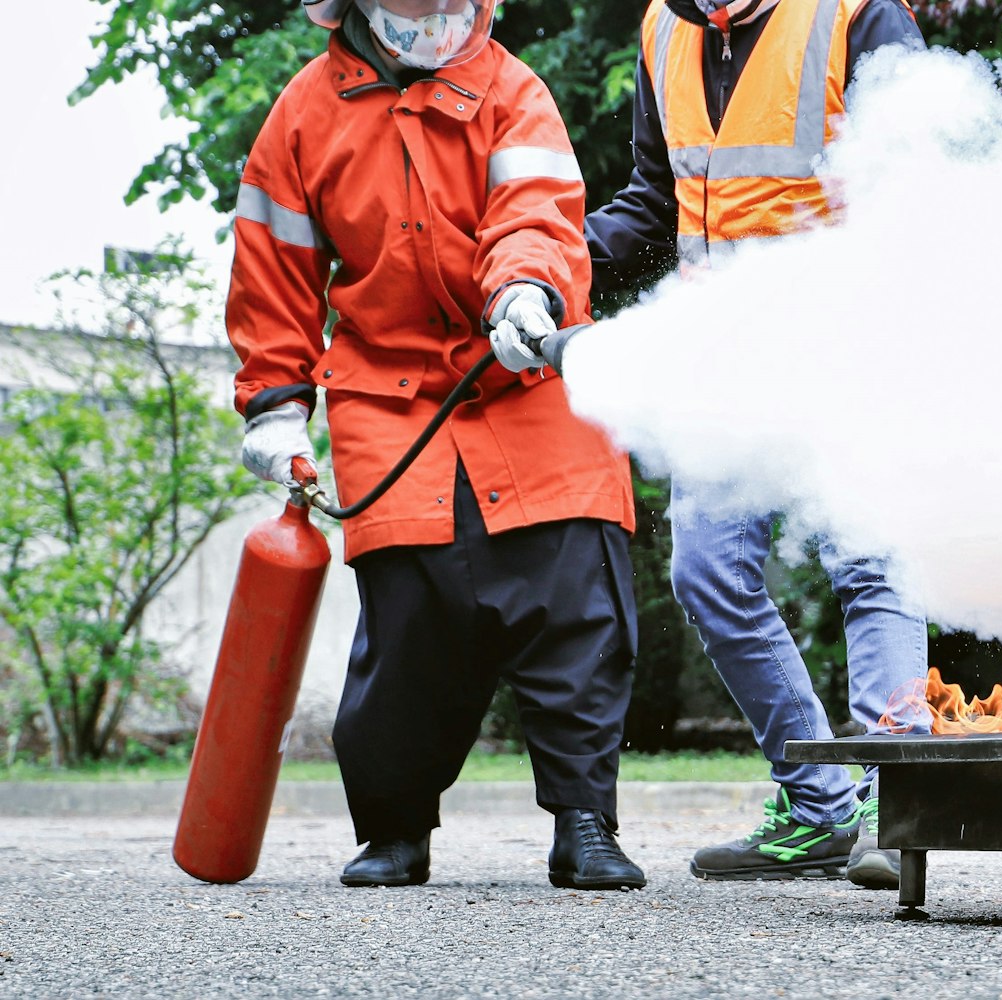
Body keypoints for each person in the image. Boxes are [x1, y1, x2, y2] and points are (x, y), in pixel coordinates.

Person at [229, 0, 646, 890]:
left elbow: (537, 211)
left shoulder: (511, 88)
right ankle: (394, 831)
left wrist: (527, 290)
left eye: (455, 4)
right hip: (388, 395)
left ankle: (585, 824)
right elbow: (273, 265)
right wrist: (273, 402)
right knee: (411, 618)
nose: (441, 24)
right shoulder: (303, 114)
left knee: (573, 593)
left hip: (526, 377)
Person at [577, 0, 932, 888]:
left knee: (871, 564)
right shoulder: (664, 29)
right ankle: (819, 807)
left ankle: (900, 808)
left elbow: (925, 181)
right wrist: (551, 267)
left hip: (851, 344)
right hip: (726, 356)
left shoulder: (858, 15)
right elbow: (654, 200)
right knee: (705, 569)